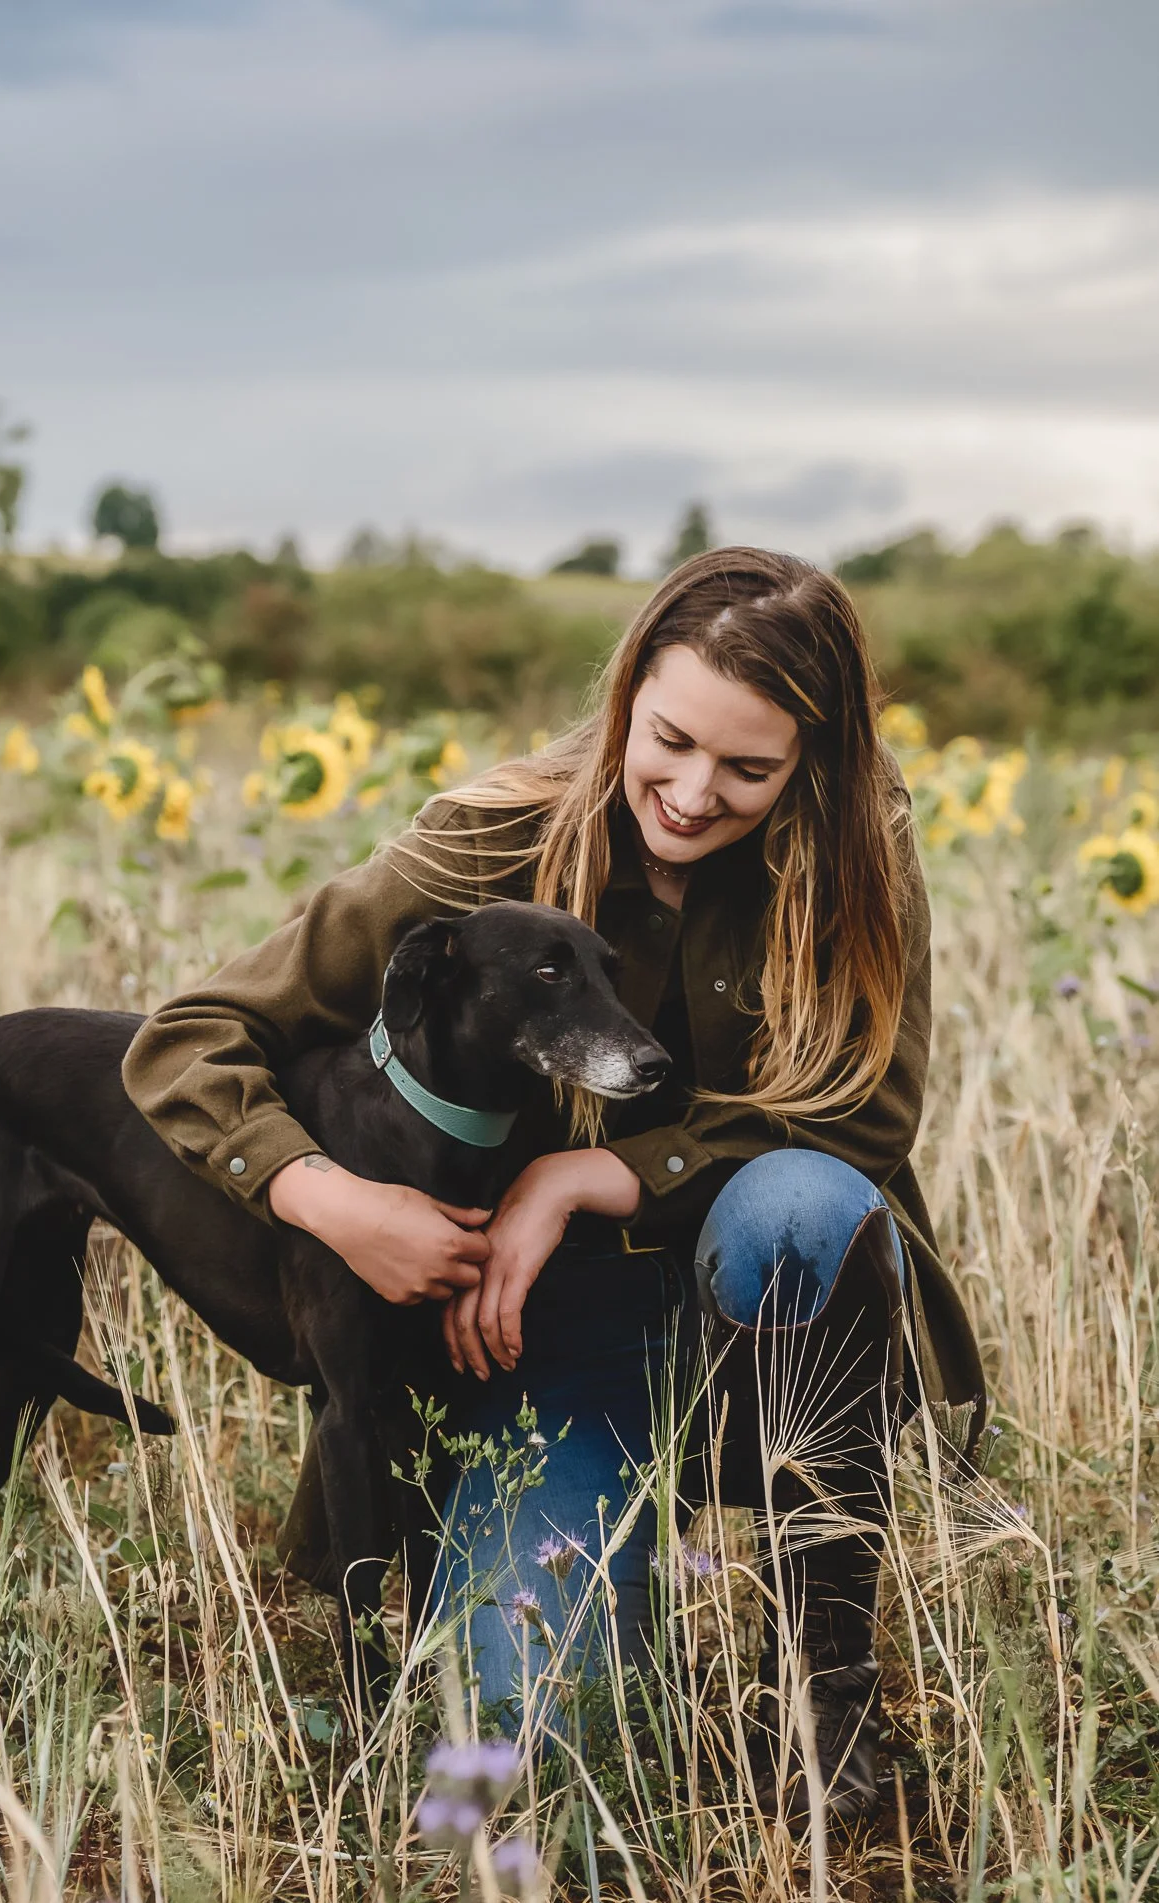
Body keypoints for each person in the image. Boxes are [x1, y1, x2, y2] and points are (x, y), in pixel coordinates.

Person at [121, 547, 985, 1820]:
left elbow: (866, 1115)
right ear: (627, 689)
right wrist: (329, 1197)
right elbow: (186, 1037)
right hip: (541, 1335)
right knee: (548, 1760)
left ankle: (823, 1697)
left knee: (803, 1201)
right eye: (671, 741)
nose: (693, 793)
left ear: (817, 761)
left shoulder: (858, 861)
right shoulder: (492, 837)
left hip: (770, 1300)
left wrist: (590, 1174)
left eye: (749, 769)